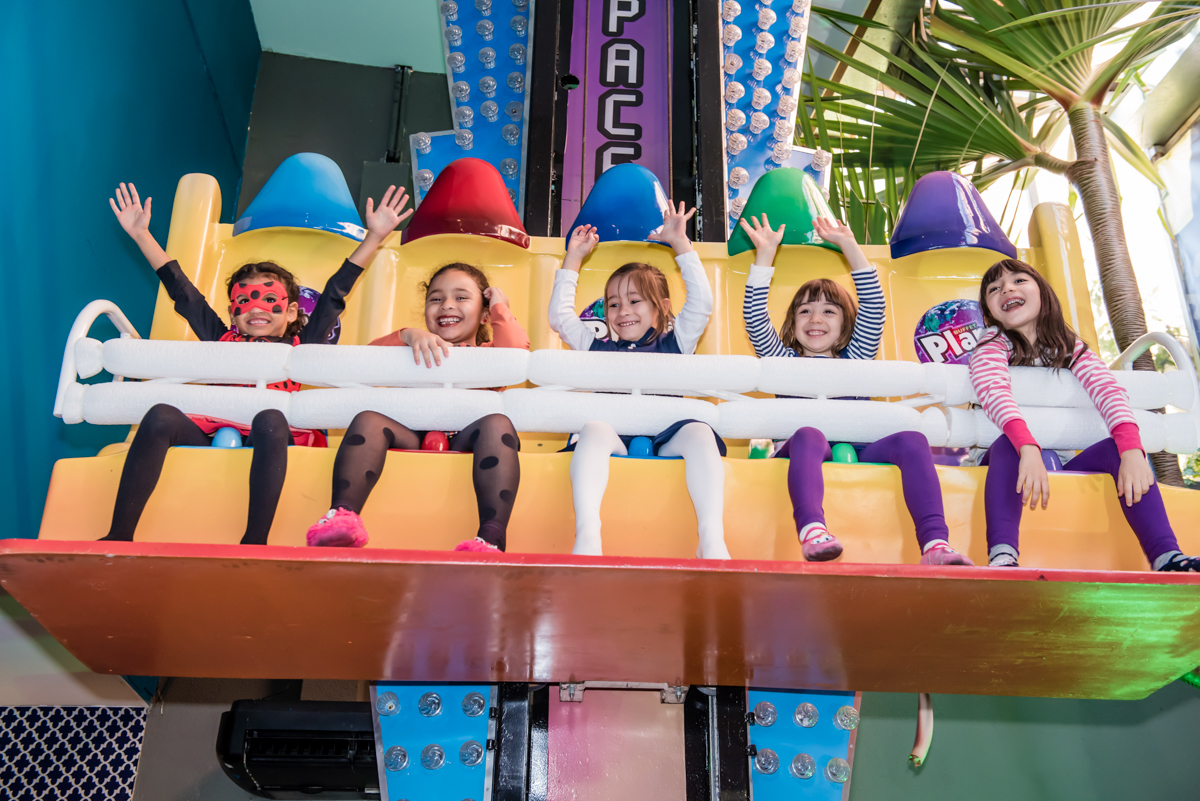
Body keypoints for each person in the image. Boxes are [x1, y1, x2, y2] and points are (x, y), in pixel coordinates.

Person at [104, 181, 411, 544]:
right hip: (215, 430)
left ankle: (255, 540)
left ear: (292, 311)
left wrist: (374, 237)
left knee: (270, 417)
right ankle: (118, 535)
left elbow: (334, 293)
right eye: (244, 302)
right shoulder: (221, 339)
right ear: (233, 314)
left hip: (274, 435)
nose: (256, 308)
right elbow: (183, 293)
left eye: (268, 299)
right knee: (159, 415)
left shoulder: (301, 345)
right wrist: (142, 235)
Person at [740, 214, 972, 565]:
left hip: (859, 448)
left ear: (846, 323)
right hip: (804, 451)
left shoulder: (858, 355)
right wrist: (764, 256)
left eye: (829, 311)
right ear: (793, 322)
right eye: (805, 311)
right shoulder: (782, 360)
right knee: (808, 434)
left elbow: (874, 307)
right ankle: (812, 530)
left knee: (913, 439)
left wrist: (849, 245)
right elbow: (755, 319)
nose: (815, 319)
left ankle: (935, 544)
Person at [970, 258, 1199, 571]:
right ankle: (1002, 555)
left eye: (1018, 280)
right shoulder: (993, 342)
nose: (1007, 288)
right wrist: (1027, 447)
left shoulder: (1069, 347)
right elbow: (993, 389)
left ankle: (1167, 556)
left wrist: (1132, 450)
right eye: (994, 289)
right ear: (989, 312)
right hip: (1003, 460)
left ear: (1042, 292)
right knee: (1008, 444)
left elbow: (1108, 390)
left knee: (1116, 449)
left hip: (1057, 464)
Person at [549, 203, 731, 559]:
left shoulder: (676, 343)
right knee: (593, 428)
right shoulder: (597, 347)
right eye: (613, 304)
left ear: (661, 306)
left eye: (635, 301)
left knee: (700, 431)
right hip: (617, 437)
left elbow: (702, 303)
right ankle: (588, 535)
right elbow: (559, 317)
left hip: (666, 438)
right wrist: (573, 260)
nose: (623, 311)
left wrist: (680, 244)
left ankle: (711, 538)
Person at [306, 263, 529, 551]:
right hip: (414, 436)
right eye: (436, 298)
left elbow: (516, 352)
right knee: (368, 419)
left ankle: (491, 537)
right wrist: (407, 335)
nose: (447, 305)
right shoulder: (414, 348)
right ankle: (342, 516)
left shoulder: (490, 354)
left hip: (468, 440)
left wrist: (499, 306)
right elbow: (365, 360)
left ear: (485, 314)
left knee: (497, 423)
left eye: (461, 297)